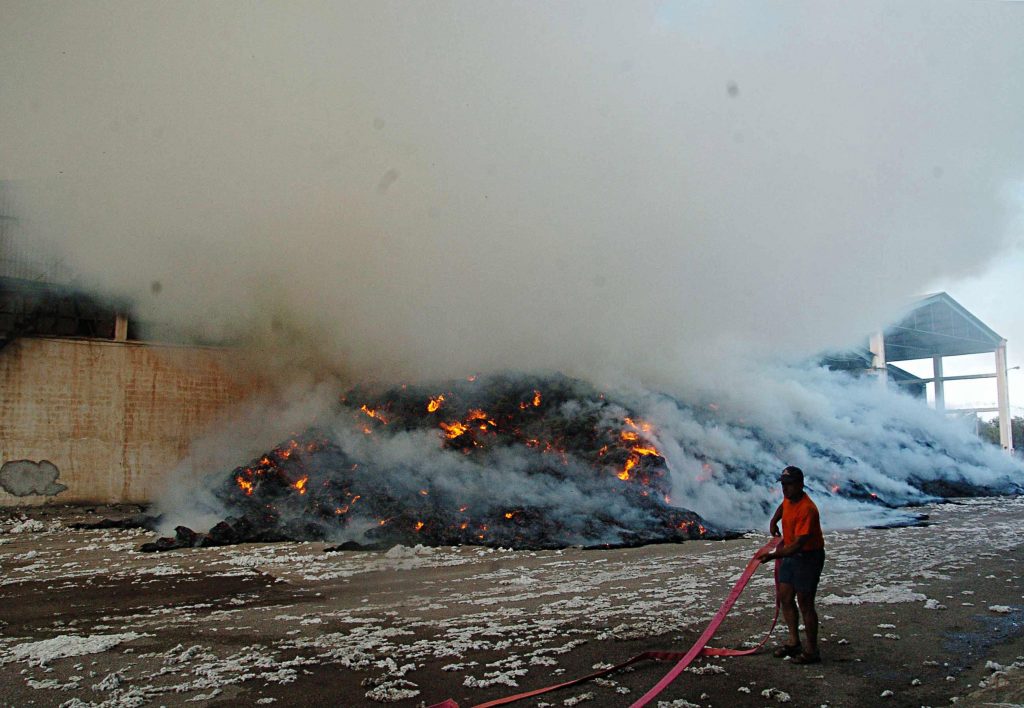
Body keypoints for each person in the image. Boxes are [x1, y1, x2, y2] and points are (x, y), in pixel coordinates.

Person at [756, 465, 825, 665]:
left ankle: (812, 651)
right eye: (783, 485)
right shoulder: (789, 499)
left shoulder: (808, 509)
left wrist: (772, 556)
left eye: (789, 485)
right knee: (785, 597)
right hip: (790, 555)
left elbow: (797, 545)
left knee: (805, 602)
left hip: (808, 557)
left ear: (801, 485)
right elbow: (783, 505)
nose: (785, 489)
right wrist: (774, 520)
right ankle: (794, 642)